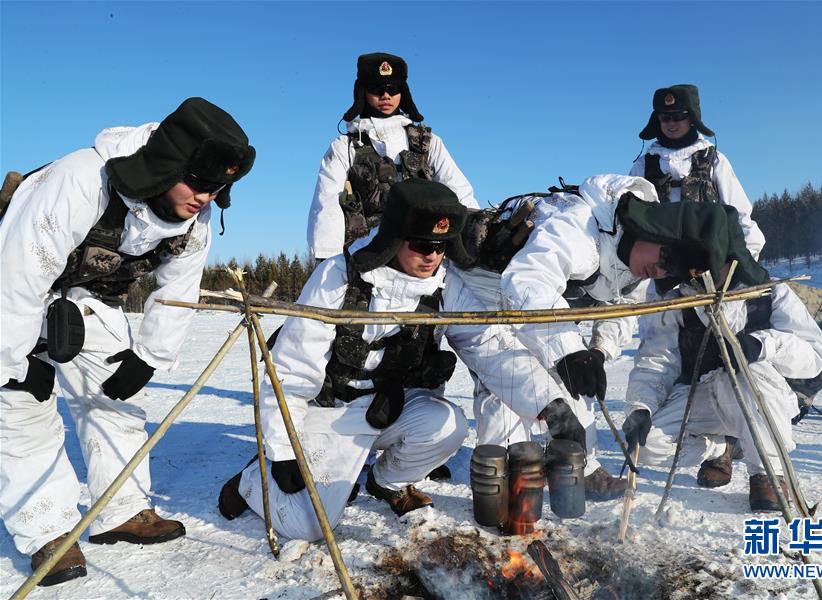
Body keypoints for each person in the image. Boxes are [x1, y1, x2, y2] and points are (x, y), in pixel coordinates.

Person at [218, 179, 579, 541]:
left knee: (446, 423)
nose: (432, 256)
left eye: (441, 246)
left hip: (389, 410)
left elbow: (489, 347)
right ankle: (253, 479)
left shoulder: (444, 286)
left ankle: (387, 482)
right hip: (327, 414)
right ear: (394, 237)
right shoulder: (338, 278)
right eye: (422, 244)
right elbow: (292, 370)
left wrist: (551, 406)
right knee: (310, 527)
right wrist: (282, 450)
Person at [0, 97, 255, 586]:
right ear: (167, 165)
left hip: (88, 296)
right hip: (12, 289)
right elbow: (18, 272)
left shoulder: (192, 219)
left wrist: (148, 356)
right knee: (22, 404)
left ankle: (122, 509)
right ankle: (48, 530)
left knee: (116, 396)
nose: (206, 197)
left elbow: (179, 287)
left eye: (218, 186)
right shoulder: (81, 181)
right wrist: (13, 361)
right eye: (200, 182)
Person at [458, 173, 774, 500]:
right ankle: (497, 492)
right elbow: (528, 281)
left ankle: (583, 468)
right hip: (479, 296)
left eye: (673, 271)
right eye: (666, 258)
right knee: (509, 386)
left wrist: (597, 350)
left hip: (531, 308)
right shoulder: (578, 228)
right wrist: (567, 352)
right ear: (652, 229)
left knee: (574, 387)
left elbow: (620, 309)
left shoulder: (636, 261)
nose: (662, 271)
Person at [622, 273, 822, 511]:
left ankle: (768, 471)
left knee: (750, 372)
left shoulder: (769, 289)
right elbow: (656, 359)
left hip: (759, 392)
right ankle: (721, 447)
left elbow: (814, 356)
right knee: (645, 446)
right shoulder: (676, 296)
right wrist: (641, 406)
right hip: (700, 392)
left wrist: (763, 345)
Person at [307, 52, 479, 261]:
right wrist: (328, 258)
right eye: (377, 88)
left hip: (424, 254)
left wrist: (475, 239)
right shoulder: (345, 146)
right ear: (362, 91)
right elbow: (327, 202)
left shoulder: (429, 142)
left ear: (403, 92)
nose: (386, 96)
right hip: (367, 253)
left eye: (393, 89)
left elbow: (458, 191)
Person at [629, 84, 765, 259]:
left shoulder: (714, 160)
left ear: (692, 117)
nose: (671, 123)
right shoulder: (642, 166)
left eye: (678, 116)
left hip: (711, 264)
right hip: (658, 271)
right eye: (665, 117)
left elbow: (740, 214)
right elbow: (628, 220)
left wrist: (744, 261)